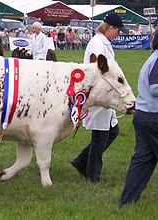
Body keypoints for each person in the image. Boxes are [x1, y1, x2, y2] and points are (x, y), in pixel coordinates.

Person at [70, 12, 124, 182]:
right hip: (99, 93)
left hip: (106, 94)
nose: (118, 34)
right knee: (100, 136)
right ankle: (92, 175)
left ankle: (81, 160)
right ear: (111, 28)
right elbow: (97, 69)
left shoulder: (103, 42)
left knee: (112, 131)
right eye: (118, 30)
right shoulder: (97, 45)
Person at [120, 33, 158, 206]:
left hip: (144, 115)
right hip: (154, 117)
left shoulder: (153, 57)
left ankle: (127, 202)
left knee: (143, 160)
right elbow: (155, 87)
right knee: (142, 160)